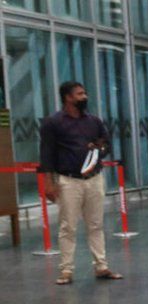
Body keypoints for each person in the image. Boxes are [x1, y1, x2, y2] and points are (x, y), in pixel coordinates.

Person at [39, 81, 124, 285]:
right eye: (80, 94)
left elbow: (106, 143)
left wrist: (98, 150)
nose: (84, 97)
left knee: (96, 224)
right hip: (68, 180)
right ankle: (66, 270)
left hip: (94, 179)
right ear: (68, 97)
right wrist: (48, 183)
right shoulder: (53, 123)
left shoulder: (94, 121)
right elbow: (47, 154)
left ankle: (101, 266)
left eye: (84, 93)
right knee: (68, 226)